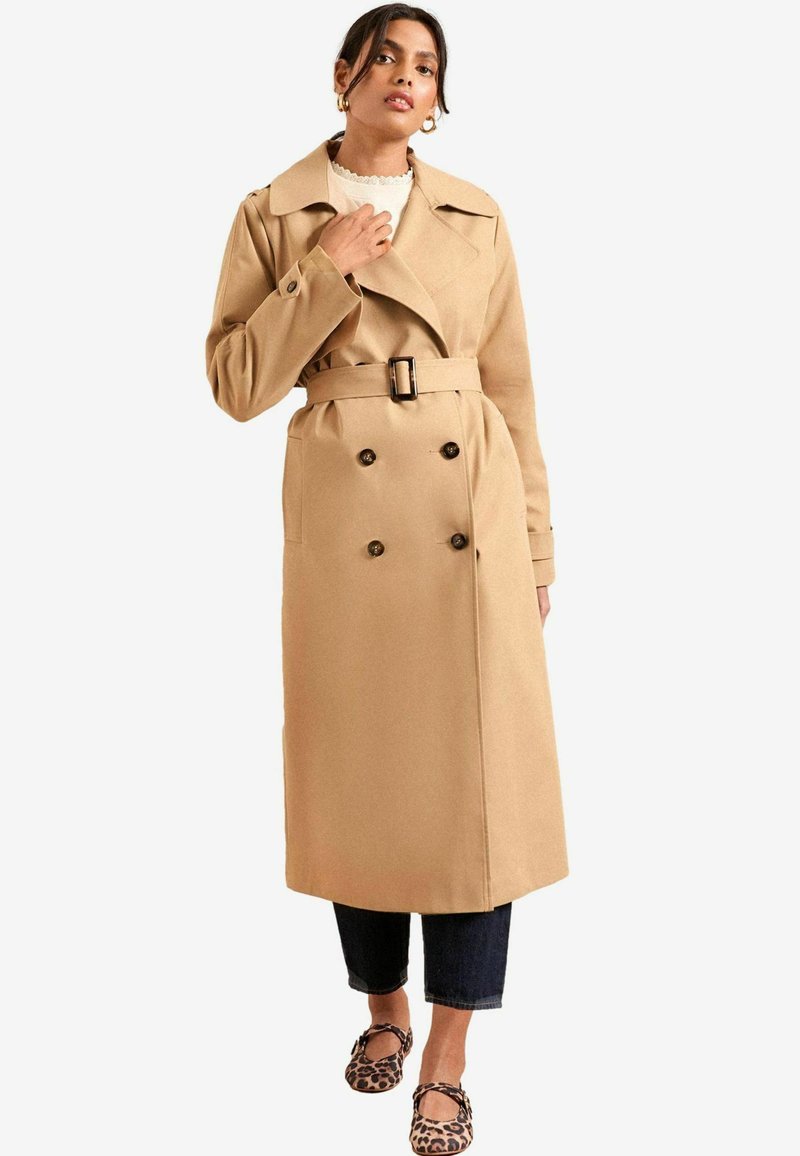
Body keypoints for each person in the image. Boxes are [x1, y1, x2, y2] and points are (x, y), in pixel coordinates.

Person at [204, 5, 569, 1152]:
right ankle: (384, 1009)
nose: (406, 79)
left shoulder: (475, 214)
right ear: (342, 76)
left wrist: (535, 544)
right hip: (346, 523)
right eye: (386, 60)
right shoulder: (273, 213)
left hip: (468, 521)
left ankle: (446, 1055)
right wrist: (321, 271)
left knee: (476, 794)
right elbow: (235, 383)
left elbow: (511, 390)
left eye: (426, 67)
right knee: (361, 781)